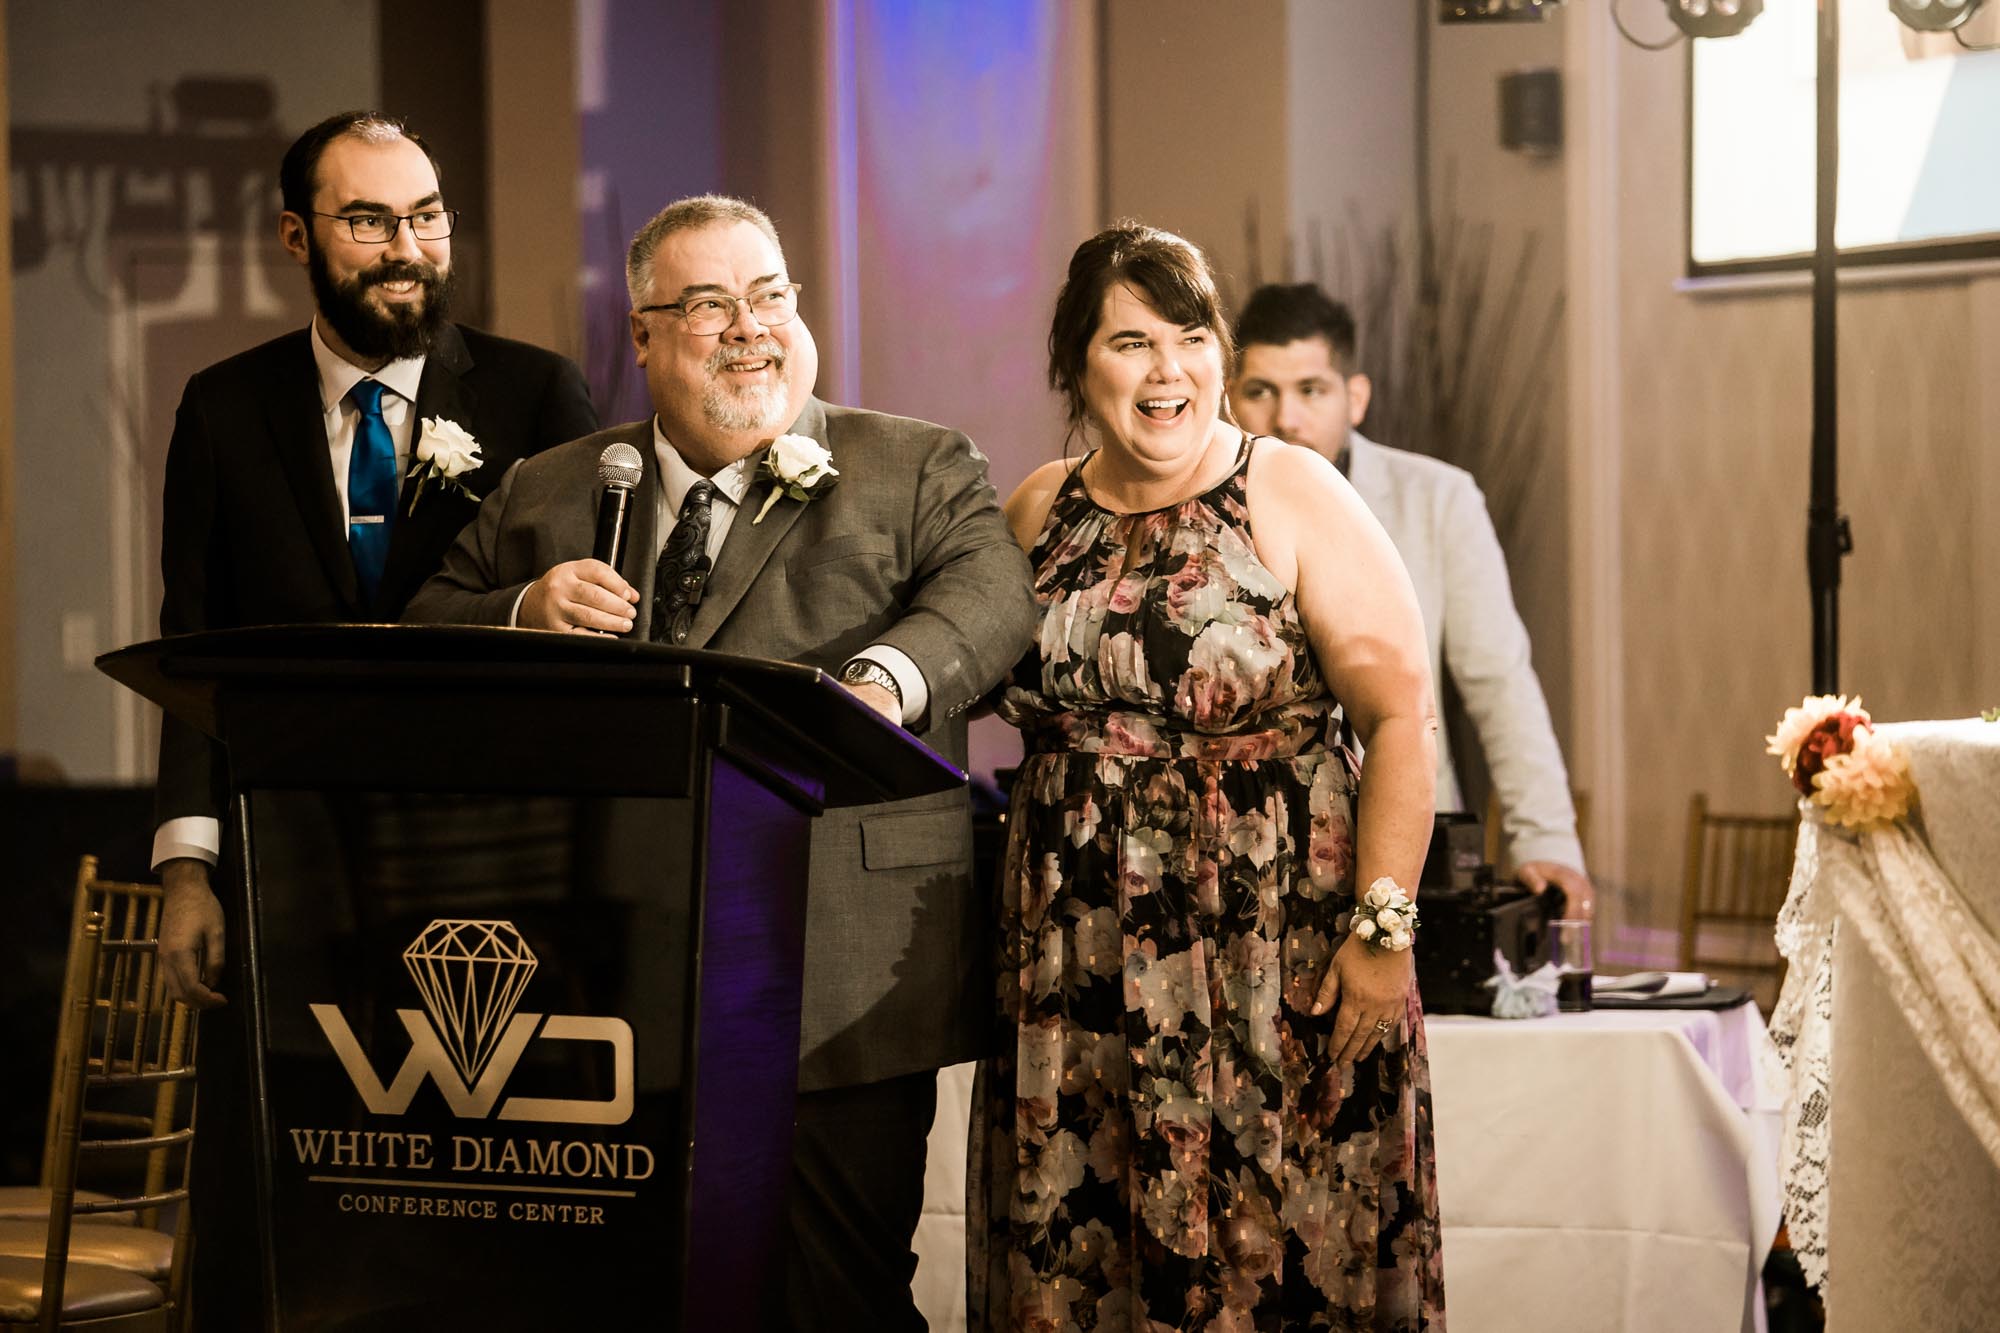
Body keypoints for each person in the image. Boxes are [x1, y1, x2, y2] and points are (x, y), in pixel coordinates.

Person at [404, 194, 1036, 1328]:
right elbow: (424, 619)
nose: (749, 327)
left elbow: (991, 597)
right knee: (638, 1293)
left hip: (840, 969)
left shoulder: (913, 463)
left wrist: (888, 679)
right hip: (605, 977)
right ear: (639, 336)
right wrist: (519, 609)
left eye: (769, 296)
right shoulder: (554, 488)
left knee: (835, 1294)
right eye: (706, 304)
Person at [148, 108, 598, 1327]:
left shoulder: (535, 393)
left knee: (459, 1204)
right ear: (297, 235)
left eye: (427, 216)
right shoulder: (223, 407)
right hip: (286, 864)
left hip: (486, 871)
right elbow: (193, 650)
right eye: (369, 221)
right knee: (286, 1189)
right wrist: (190, 866)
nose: (407, 246)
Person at [975, 225, 1445, 1329]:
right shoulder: (1037, 510)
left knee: (1276, 1252)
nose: (1167, 369)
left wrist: (1385, 932)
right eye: (1130, 341)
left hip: (1273, 953)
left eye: (1190, 338)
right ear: (1074, 363)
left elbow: (1397, 716)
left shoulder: (1288, 489)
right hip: (1077, 966)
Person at [1231, 283, 1591, 916]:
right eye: (1261, 391)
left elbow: (1498, 680)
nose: (1286, 418)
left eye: (1312, 390)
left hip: (1412, 857)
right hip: (1251, 853)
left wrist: (1547, 840)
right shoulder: (1206, 509)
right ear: (1231, 399)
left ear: (1356, 398)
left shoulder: (1440, 499)